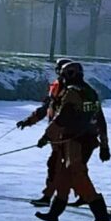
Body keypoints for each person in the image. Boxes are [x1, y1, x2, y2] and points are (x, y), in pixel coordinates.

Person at [34, 62, 111, 221]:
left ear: (69, 75)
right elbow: (100, 119)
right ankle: (54, 214)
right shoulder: (90, 92)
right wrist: (105, 145)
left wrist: (46, 137)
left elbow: (61, 118)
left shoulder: (72, 93)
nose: (62, 79)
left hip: (76, 141)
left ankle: (101, 215)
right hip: (88, 140)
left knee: (77, 175)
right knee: (64, 175)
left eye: (63, 75)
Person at [17, 58, 71, 207]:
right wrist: (28, 121)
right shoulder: (57, 86)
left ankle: (50, 197)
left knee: (61, 167)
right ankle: (55, 196)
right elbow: (45, 108)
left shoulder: (72, 91)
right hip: (57, 135)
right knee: (62, 166)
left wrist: (47, 136)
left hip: (67, 136)